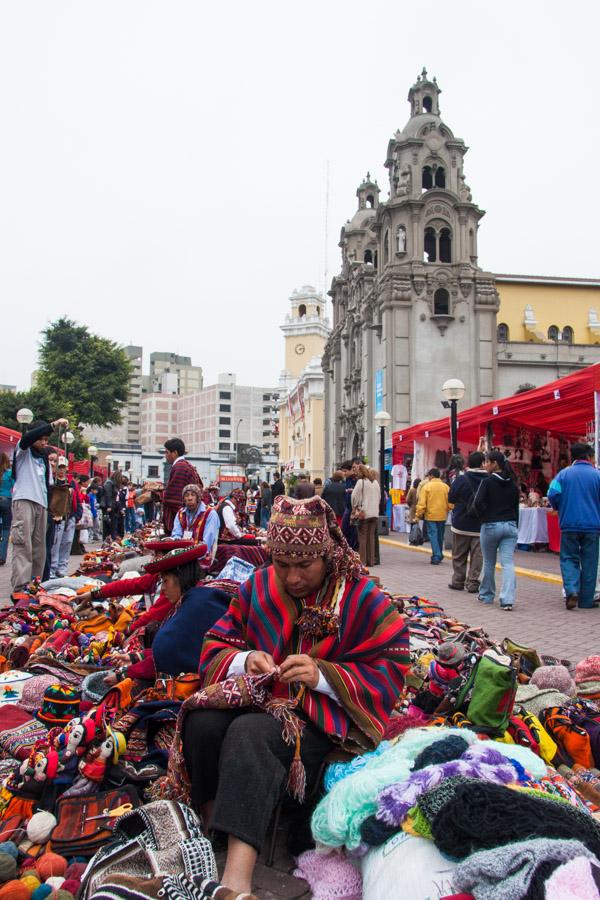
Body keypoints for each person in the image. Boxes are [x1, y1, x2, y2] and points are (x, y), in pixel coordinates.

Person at [181, 496, 409, 895]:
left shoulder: (358, 596)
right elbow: (215, 643)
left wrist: (324, 675)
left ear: (327, 554)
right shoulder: (259, 586)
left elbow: (390, 663)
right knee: (202, 722)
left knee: (252, 733)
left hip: (322, 722)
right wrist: (245, 658)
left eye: (304, 566)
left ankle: (235, 880)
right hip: (260, 702)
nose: (291, 577)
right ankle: (215, 826)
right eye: (282, 564)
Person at [104, 544, 230, 683]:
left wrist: (124, 674)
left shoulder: (197, 606)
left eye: (165, 581)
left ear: (180, 577)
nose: (163, 588)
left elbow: (169, 655)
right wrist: (138, 657)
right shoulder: (196, 597)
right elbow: (179, 650)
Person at [10, 417, 68, 593]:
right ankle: (20, 587)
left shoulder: (44, 458)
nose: (43, 443)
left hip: (41, 504)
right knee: (23, 545)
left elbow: (48, 485)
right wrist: (52, 425)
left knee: (39, 548)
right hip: (24, 500)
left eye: (46, 440)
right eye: (41, 439)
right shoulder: (23, 451)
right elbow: (27, 438)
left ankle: (35, 585)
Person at [548, 442, 600, 610]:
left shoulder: (563, 475)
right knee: (590, 562)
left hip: (569, 525)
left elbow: (552, 494)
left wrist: (558, 507)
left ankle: (571, 590)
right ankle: (586, 601)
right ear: (589, 457)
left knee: (569, 558)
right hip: (592, 526)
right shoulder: (597, 475)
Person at [471, 450, 520, 611]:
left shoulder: (487, 482)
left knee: (489, 562)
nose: (485, 465)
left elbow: (477, 503)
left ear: (494, 464)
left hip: (491, 525)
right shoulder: (513, 483)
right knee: (508, 563)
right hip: (510, 526)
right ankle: (507, 599)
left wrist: (484, 515)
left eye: (487, 462)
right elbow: (516, 508)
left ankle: (486, 594)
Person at [447, 451, 487, 593]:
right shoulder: (488, 480)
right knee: (477, 556)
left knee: (459, 554)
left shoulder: (461, 479)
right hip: (481, 524)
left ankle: (458, 580)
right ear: (483, 463)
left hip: (461, 523)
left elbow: (451, 498)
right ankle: (473, 583)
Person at [49, 462, 83, 578]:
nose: (62, 470)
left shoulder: (71, 483)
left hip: (70, 516)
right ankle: (53, 568)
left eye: (63, 467)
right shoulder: (52, 481)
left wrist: (78, 514)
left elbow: (77, 498)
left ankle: (62, 568)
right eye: (60, 467)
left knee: (67, 542)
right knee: (55, 543)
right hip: (57, 516)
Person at [162, 439, 202, 534]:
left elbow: (173, 496)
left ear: (175, 452)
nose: (165, 456)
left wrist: (158, 494)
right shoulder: (186, 465)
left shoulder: (180, 467)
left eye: (167, 452)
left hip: (183, 518)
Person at [171, 483, 220, 556]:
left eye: (193, 495)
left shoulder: (210, 514)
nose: (189, 498)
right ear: (184, 499)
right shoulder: (180, 514)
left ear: (198, 498)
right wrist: (177, 540)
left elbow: (207, 542)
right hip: (182, 554)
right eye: (186, 495)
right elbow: (176, 534)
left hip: (202, 556)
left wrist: (192, 550)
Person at [415, 468, 451, 565]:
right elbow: (451, 503)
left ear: (431, 476)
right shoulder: (446, 487)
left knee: (433, 535)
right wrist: (447, 509)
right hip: (442, 515)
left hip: (430, 515)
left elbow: (421, 503)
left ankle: (437, 555)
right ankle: (439, 553)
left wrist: (418, 515)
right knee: (440, 535)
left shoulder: (426, 487)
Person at [351, 463, 381, 567]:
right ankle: (371, 560)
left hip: (364, 513)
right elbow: (379, 497)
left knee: (362, 537)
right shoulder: (375, 483)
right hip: (374, 513)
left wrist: (355, 507)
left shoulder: (361, 482)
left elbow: (354, 496)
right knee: (371, 537)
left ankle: (362, 561)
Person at [0, 452, 14, 566]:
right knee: (5, 530)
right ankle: (2, 556)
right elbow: (15, 486)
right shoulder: (9, 474)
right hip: (6, 500)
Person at [340, 461, 358, 550]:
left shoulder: (356, 480)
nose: (343, 473)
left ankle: (351, 550)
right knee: (344, 529)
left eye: (345, 471)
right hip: (347, 508)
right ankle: (347, 549)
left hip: (353, 509)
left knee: (352, 531)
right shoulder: (347, 480)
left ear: (351, 470)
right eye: (342, 471)